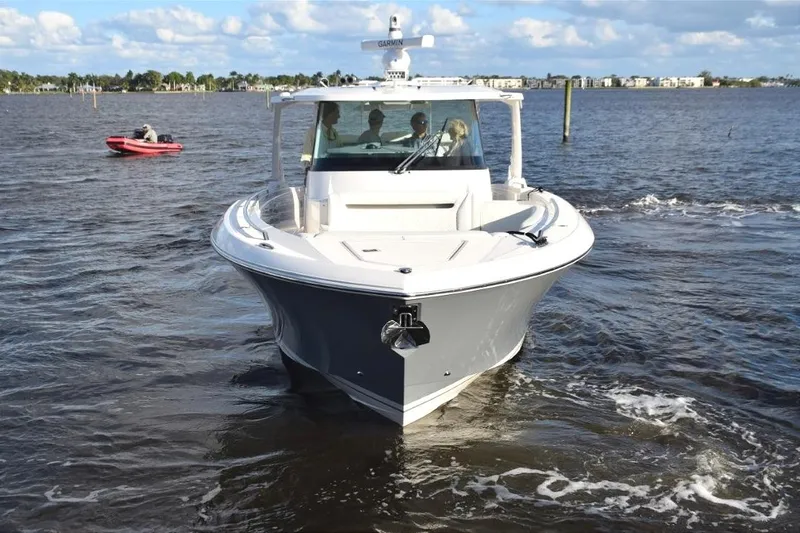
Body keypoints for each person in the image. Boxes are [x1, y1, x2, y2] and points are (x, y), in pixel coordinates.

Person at [301, 102, 341, 166]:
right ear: (330, 114)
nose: (339, 116)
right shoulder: (313, 132)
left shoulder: (334, 132)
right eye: (337, 113)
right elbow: (306, 156)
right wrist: (307, 168)